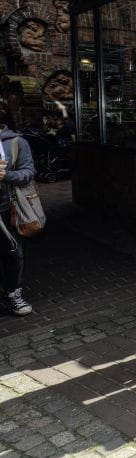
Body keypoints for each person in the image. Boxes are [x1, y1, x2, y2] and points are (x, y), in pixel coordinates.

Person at [0, 99, 35, 316]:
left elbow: (29, 172)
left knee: (12, 252)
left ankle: (13, 293)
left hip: (5, 207)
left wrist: (7, 175)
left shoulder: (15, 142)